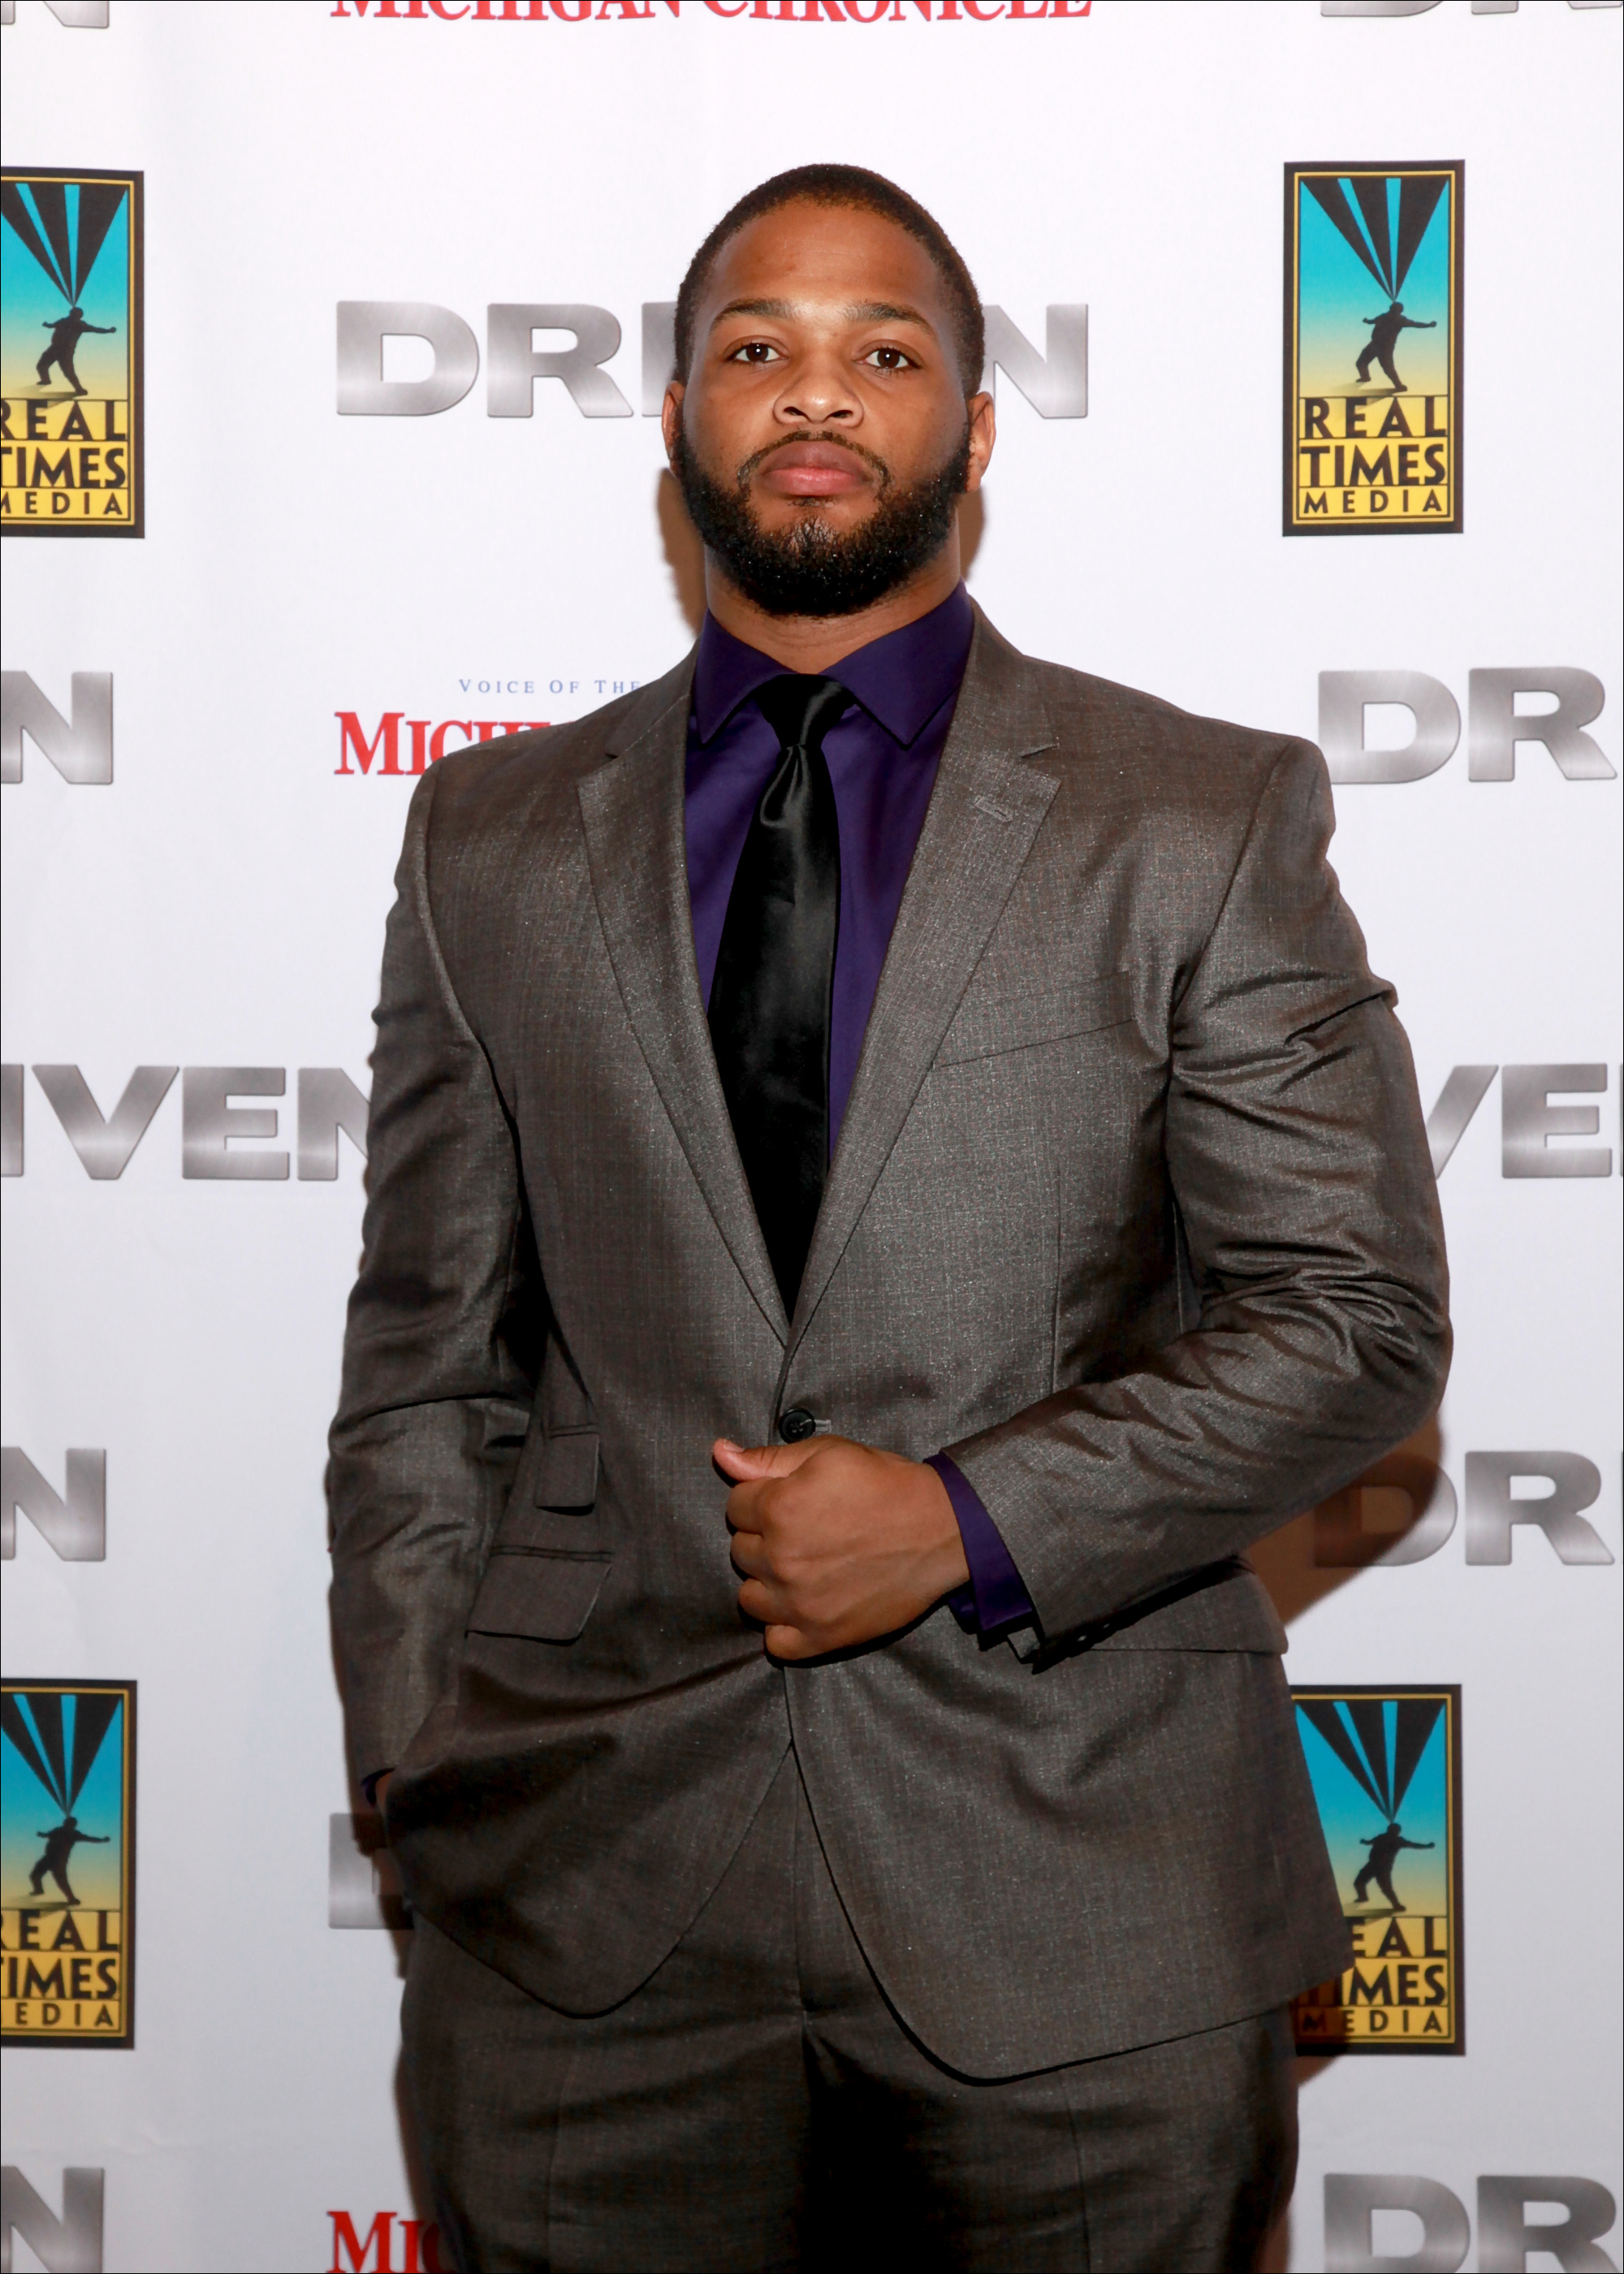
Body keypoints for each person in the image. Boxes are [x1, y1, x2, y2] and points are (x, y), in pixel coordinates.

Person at [330, 164, 1449, 2273]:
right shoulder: (488, 835)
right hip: (584, 1926)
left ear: (978, 428)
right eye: (756, 348)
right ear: (676, 418)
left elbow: (1356, 1321)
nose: (813, 394)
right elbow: (426, 1363)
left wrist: (960, 1522)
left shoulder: (1197, 818)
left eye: (884, 350)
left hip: (1084, 1900)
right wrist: (425, 1765)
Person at [1353, 1821, 1435, 1911]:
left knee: (1386, 1887)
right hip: (1372, 1865)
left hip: (1383, 1868)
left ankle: (1396, 1905)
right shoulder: (1383, 1837)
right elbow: (1371, 1842)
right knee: (1359, 1882)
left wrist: (1427, 1846)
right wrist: (1365, 1842)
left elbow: (1414, 1845)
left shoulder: (1397, 1840)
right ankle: (1363, 1897)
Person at [27, 1815, 109, 1904]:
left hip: (59, 1861)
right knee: (35, 1875)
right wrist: (42, 1834)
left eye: (66, 1822)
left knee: (62, 1881)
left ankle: (72, 1899)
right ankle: (39, 1890)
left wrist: (102, 1840)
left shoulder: (73, 1834)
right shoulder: (58, 1830)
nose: (64, 1823)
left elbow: (89, 1839)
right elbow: (47, 1835)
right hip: (49, 1858)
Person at [35, 305, 116, 396]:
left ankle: (79, 389)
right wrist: (47, 325)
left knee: (68, 371)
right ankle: (46, 380)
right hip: (54, 348)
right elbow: (52, 325)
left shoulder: (79, 325)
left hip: (65, 351)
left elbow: (96, 329)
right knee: (42, 365)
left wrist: (108, 331)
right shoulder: (63, 321)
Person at [1354, 300, 1436, 390]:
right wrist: (1367, 321)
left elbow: (1416, 324)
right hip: (1374, 345)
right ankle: (1366, 377)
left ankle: (1398, 385)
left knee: (1388, 368)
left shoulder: (1400, 320)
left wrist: (1428, 325)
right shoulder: (1384, 316)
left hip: (1385, 348)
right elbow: (1373, 321)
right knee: (1361, 363)